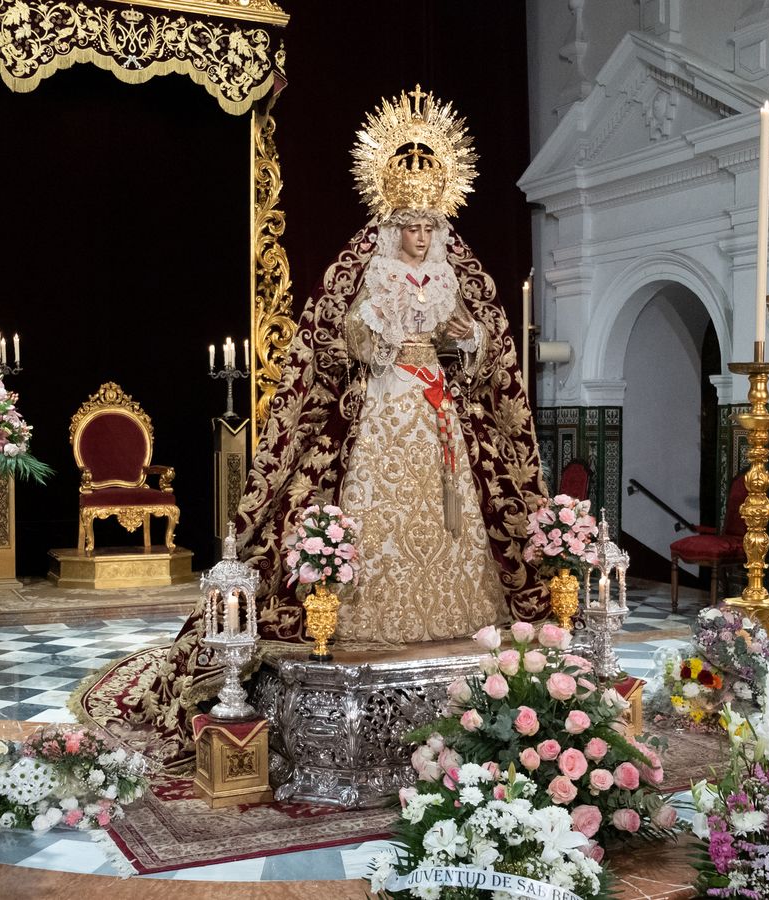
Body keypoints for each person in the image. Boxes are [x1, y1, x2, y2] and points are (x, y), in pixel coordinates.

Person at [85, 87, 548, 770]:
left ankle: (453, 619)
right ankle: (361, 618)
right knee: (377, 505)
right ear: (391, 219)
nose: (421, 236)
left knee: (456, 517)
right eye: (411, 224)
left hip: (440, 406)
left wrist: (467, 337)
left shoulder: (460, 272)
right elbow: (329, 343)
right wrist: (372, 335)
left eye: (429, 223)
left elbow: (492, 361)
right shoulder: (366, 267)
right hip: (388, 407)